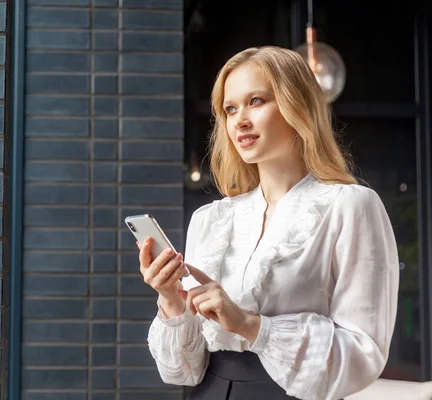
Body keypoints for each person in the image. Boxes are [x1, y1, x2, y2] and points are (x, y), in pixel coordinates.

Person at [136, 46, 399, 400]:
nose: (239, 120)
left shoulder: (350, 206)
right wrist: (171, 300)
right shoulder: (210, 219)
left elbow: (364, 352)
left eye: (256, 101)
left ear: (298, 106)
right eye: (230, 109)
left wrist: (249, 325)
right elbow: (184, 371)